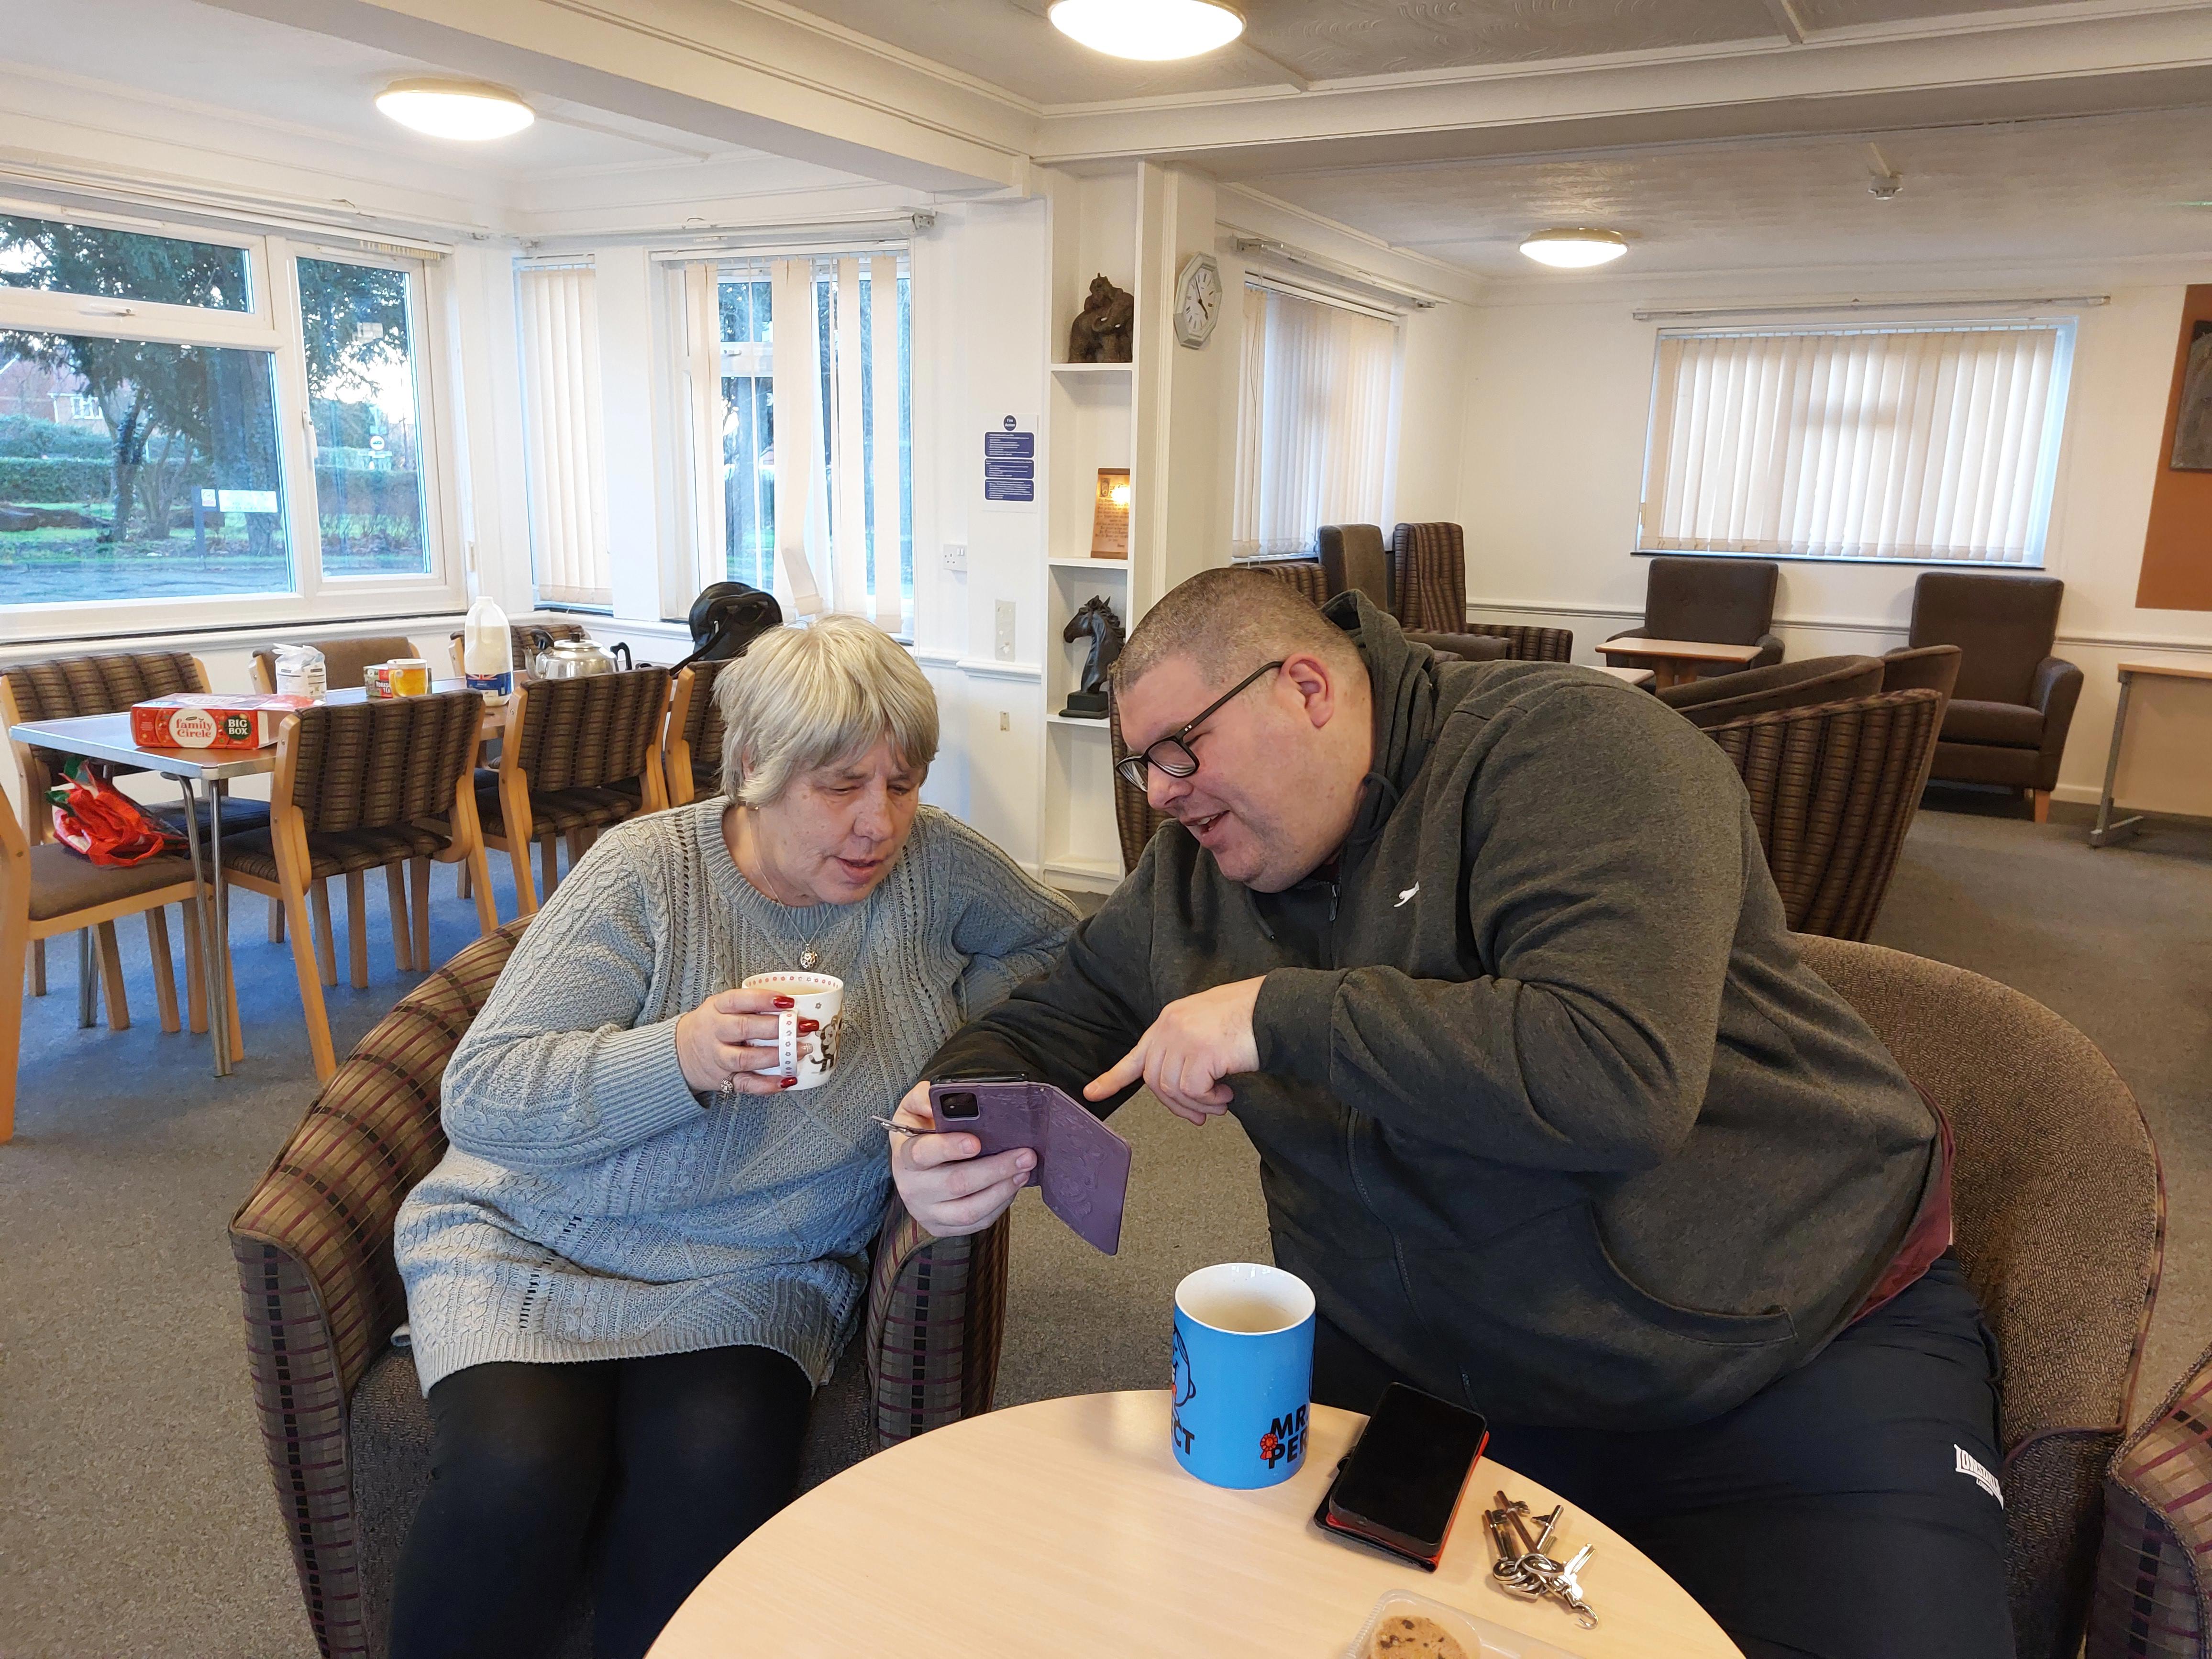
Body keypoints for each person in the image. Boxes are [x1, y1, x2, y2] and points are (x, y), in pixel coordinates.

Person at [890, 571, 2008, 1659]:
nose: (1165, 796)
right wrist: (950, 1112)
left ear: (1305, 690)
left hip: (1779, 1344)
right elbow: (1062, 1015)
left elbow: (1615, 1075)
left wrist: (1278, 1015)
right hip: (1439, 1375)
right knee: (1199, 1618)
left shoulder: (1575, 752)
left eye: (1180, 752)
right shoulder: (1198, 874)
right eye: (1143, 770)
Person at [389, 616, 1078, 1659]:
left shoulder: (935, 866)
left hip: (756, 1264)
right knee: (513, 1481)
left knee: (713, 1483)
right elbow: (481, 1094)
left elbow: (1061, 948)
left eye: (903, 783)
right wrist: (681, 1056)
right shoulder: (647, 874)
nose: (878, 823)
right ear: (755, 766)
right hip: (537, 1238)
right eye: (839, 785)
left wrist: (953, 1030)